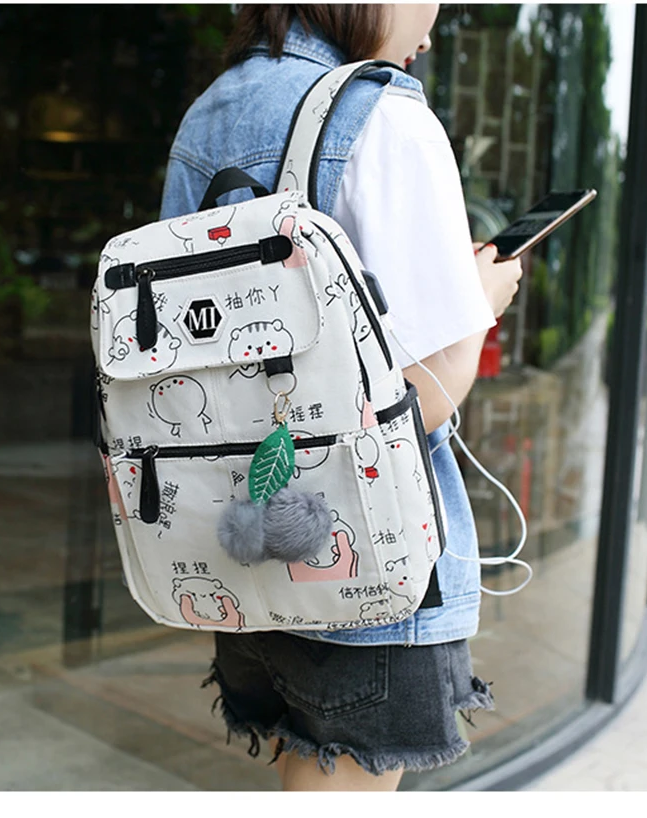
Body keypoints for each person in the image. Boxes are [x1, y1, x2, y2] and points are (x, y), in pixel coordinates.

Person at [159, 4, 522, 792]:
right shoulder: (383, 113)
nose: (432, 32)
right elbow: (418, 398)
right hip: (359, 559)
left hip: (241, 540)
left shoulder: (212, 111)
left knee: (306, 772)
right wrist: (481, 300)